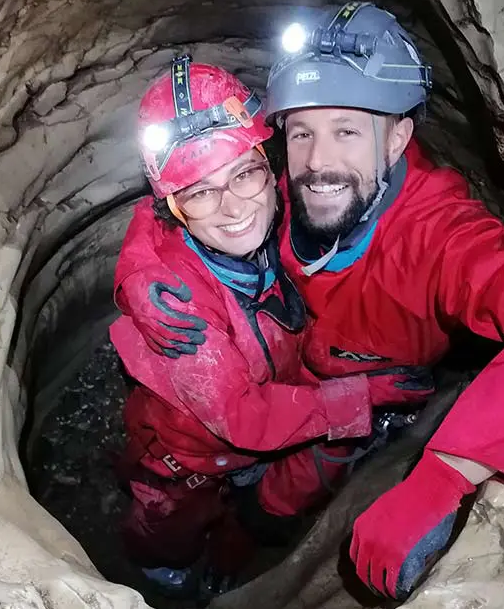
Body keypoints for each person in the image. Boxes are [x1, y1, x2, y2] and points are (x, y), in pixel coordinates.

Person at [138, 3, 504, 601]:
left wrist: (445, 476)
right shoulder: (276, 186)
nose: (319, 162)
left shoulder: (435, 237)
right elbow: (193, 186)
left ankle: (243, 548)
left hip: (355, 415)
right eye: (302, 131)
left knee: (277, 506)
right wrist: (144, 264)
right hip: (294, 386)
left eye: (348, 130)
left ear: (398, 138)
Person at [109, 55, 420, 597]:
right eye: (200, 192)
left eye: (243, 175)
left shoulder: (276, 201)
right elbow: (243, 419)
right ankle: (164, 579)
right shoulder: (180, 307)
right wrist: (358, 399)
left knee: (249, 506)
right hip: (188, 455)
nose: (233, 208)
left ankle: (231, 550)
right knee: (168, 526)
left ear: (267, 167)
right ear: (176, 209)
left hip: (272, 411)